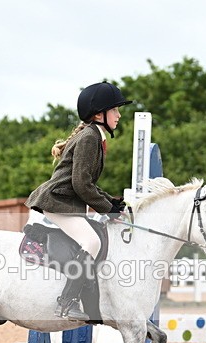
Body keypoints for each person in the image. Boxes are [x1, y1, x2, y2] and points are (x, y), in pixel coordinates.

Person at [25, 81, 132, 321]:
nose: (119, 115)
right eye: (115, 110)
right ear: (99, 114)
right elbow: (81, 184)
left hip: (64, 201)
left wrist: (113, 203)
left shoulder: (94, 135)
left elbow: (87, 183)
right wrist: (108, 208)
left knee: (93, 238)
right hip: (57, 201)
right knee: (91, 242)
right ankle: (66, 302)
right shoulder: (89, 138)